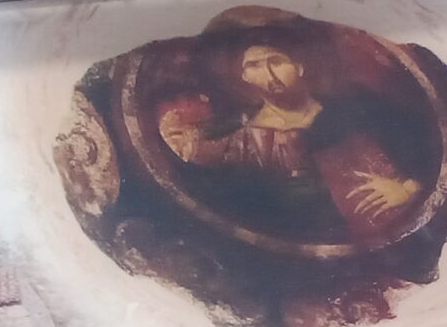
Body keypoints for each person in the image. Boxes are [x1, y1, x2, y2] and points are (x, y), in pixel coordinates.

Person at [156, 40, 428, 243]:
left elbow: (419, 145)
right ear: (245, 77)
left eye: (276, 61)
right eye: (254, 66)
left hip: (386, 233)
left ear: (298, 68)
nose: (268, 73)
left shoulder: (354, 108)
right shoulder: (239, 140)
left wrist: (409, 188)